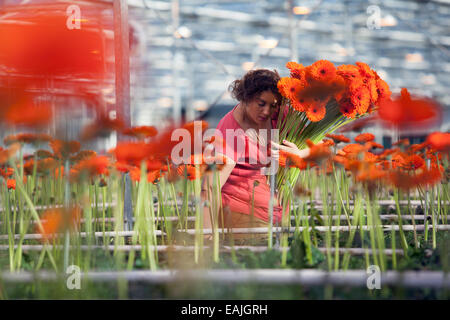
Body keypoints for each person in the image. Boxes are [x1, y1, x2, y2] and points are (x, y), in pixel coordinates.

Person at [201, 69, 310, 244]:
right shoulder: (230, 131)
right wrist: (208, 236)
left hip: (277, 212)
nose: (267, 111)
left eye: (273, 105)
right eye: (261, 103)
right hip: (241, 214)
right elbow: (210, 188)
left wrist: (301, 153)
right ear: (245, 98)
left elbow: (319, 146)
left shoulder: (280, 115)